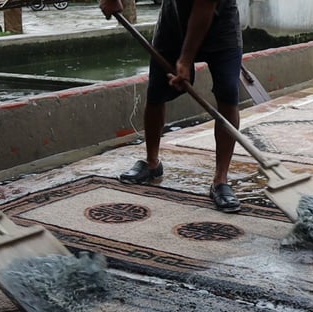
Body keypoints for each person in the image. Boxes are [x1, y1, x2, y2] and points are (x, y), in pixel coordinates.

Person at [100, 0, 243, 212]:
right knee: (156, 92)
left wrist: (185, 60)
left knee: (228, 94)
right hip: (173, 21)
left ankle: (220, 180)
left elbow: (204, 8)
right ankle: (152, 163)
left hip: (221, 25)